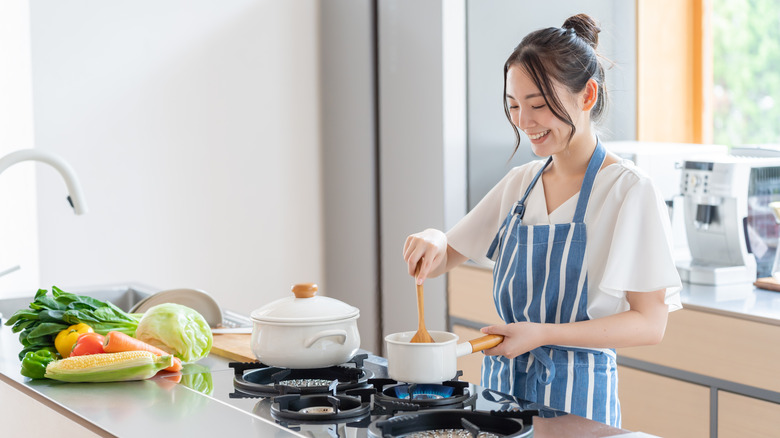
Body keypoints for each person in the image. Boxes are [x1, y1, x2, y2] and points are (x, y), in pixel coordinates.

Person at [402, 14, 682, 427]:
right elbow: (446, 255)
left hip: (579, 409)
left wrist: (545, 334)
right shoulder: (521, 184)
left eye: (537, 105)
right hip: (503, 400)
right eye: (514, 106)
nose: (523, 121)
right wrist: (431, 238)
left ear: (587, 95)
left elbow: (650, 323)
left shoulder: (628, 190)